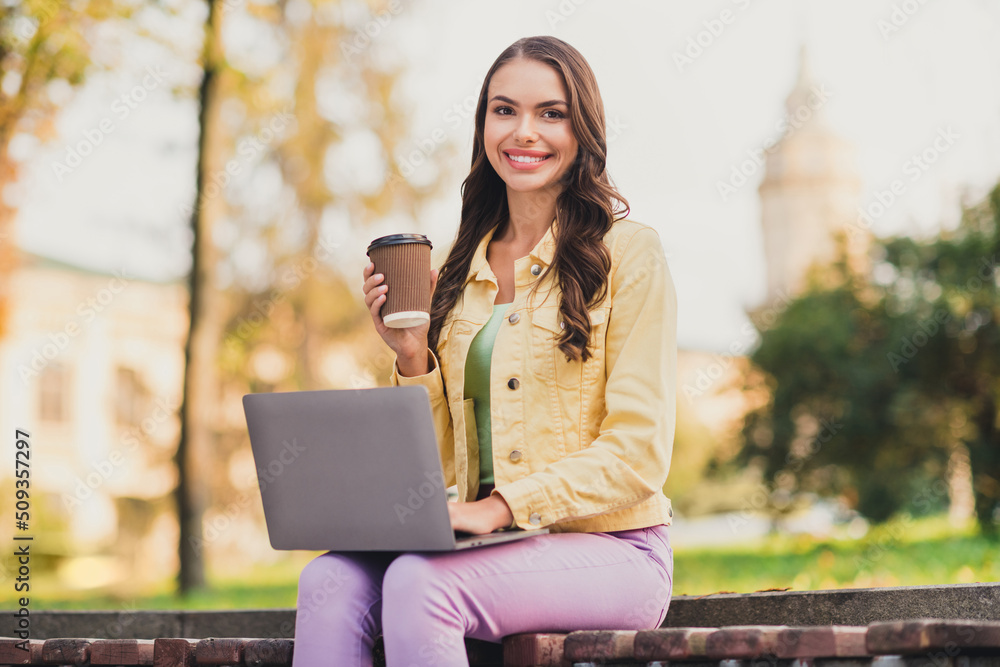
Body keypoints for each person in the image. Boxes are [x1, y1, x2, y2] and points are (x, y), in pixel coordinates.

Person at [292, 35, 677, 667]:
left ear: (583, 130)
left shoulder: (628, 254)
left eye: (550, 113)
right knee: (326, 583)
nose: (524, 132)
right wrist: (412, 356)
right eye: (505, 110)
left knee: (422, 584)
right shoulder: (454, 273)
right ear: (483, 125)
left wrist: (499, 509)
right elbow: (444, 469)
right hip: (485, 546)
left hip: (613, 549)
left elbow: (638, 452)